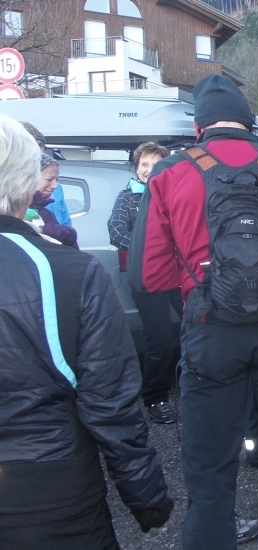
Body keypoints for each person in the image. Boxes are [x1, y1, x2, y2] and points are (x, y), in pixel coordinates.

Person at [128, 74, 258, 550]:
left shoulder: (169, 172)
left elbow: (147, 276)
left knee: (209, 476)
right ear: (249, 121)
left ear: (199, 125)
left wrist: (198, 280)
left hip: (210, 330)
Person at [0, 115, 173, 548]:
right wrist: (146, 494)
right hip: (48, 489)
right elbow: (109, 398)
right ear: (28, 183)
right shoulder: (68, 271)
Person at [108, 141, 182, 423]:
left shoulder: (174, 193)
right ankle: (155, 397)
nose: (149, 171)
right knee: (159, 340)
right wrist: (146, 251)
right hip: (146, 276)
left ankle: (195, 386)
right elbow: (115, 231)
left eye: (155, 164)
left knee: (195, 329)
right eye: (144, 165)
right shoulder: (127, 197)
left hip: (176, 273)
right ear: (136, 168)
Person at [20, 121, 72, 227]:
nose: (37, 150)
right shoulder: (9, 187)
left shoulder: (56, 188)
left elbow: (66, 223)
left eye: (40, 145)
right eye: (31, 144)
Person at [29, 154, 79, 248]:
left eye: (56, 179)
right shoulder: (14, 210)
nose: (55, 186)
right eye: (49, 179)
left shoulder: (45, 211)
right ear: (30, 178)